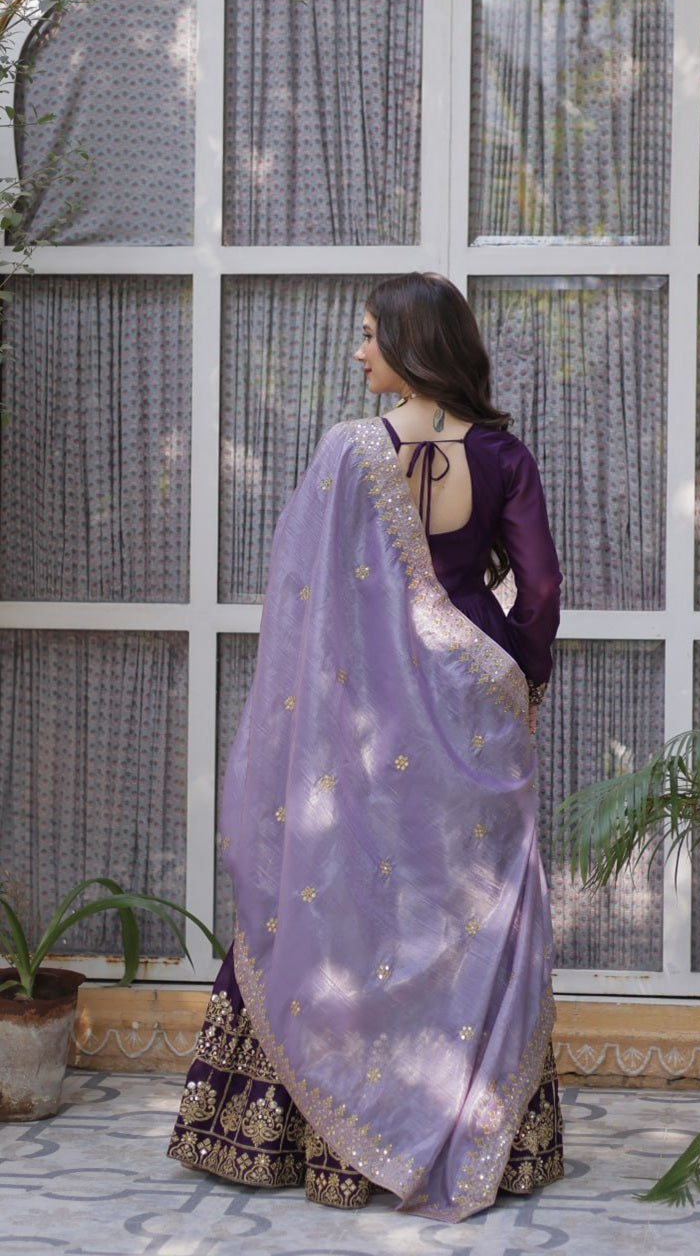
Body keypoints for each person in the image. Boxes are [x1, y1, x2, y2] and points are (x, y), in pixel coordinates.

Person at [167, 272, 564, 1223]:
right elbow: (541, 591)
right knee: (453, 911)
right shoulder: (504, 457)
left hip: (363, 715)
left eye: (370, 338)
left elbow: (311, 609)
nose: (358, 355)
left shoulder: (350, 453)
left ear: (411, 348)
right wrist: (513, 678)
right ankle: (470, 1132)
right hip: (470, 710)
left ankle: (318, 1143)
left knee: (351, 897)